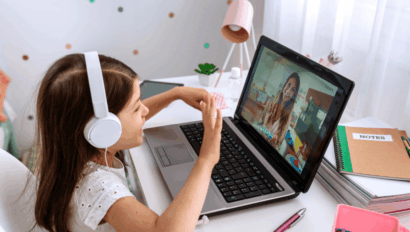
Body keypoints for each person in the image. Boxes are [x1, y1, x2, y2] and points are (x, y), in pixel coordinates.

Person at [19, 53, 223, 232]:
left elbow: (125, 121)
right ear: (103, 130)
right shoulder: (99, 187)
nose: (144, 111)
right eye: (136, 108)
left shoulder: (71, 149)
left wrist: (174, 94)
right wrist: (206, 159)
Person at [258, 72, 300, 150]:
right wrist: (265, 133)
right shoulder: (270, 103)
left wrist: (275, 140)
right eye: (288, 84)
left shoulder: (287, 118)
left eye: (293, 89)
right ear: (284, 85)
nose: (288, 91)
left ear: (293, 95)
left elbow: (279, 143)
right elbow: (260, 124)